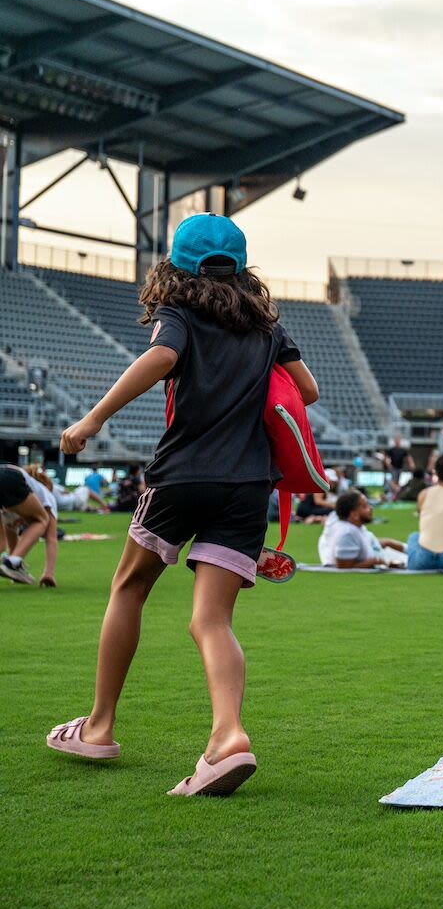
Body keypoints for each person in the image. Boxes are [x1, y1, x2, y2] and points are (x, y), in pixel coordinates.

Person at [46, 213, 317, 797]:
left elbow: (164, 357)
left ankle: (98, 727)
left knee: (129, 587)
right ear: (242, 269)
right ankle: (228, 737)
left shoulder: (180, 314)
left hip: (182, 476)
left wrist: (93, 418)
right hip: (248, 487)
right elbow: (309, 391)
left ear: (178, 264)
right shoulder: (268, 328)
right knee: (210, 620)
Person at [1, 464, 58, 587]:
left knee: (2, 543)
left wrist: (11, 567)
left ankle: (13, 564)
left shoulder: (19, 500)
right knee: (42, 520)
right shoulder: (46, 493)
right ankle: (13, 562)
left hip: (4, 472)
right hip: (10, 477)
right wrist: (49, 573)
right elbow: (51, 539)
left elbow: (11, 536)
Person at [324, 490, 406, 569]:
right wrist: (378, 562)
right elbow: (345, 568)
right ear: (354, 514)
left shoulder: (356, 527)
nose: (370, 508)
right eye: (365, 506)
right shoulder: (347, 533)